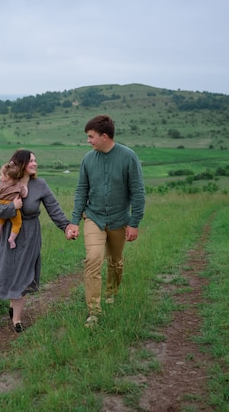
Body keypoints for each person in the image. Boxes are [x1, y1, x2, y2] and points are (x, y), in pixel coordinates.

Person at [65, 114, 146, 327]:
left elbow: (137, 192)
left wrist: (134, 222)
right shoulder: (88, 159)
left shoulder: (128, 157)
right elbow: (81, 190)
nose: (88, 141)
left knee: (115, 261)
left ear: (104, 136)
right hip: (94, 217)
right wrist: (74, 221)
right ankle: (94, 311)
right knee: (92, 260)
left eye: (91, 136)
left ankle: (111, 292)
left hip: (120, 219)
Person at [0, 149, 74, 333]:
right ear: (21, 164)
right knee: (10, 271)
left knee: (24, 274)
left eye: (35, 160)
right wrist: (12, 207)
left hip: (30, 236)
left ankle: (16, 319)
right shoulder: (7, 183)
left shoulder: (40, 185)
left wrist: (65, 227)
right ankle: (13, 305)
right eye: (31, 161)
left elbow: (53, 208)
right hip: (8, 235)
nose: (35, 163)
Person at [0, 162, 29, 249]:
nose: (0, 177)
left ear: (7, 176)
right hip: (14, 207)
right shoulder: (19, 185)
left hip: (2, 204)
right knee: (17, 224)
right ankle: (11, 239)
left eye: (1, 175)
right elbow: (25, 194)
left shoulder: (1, 185)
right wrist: (25, 187)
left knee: (1, 220)